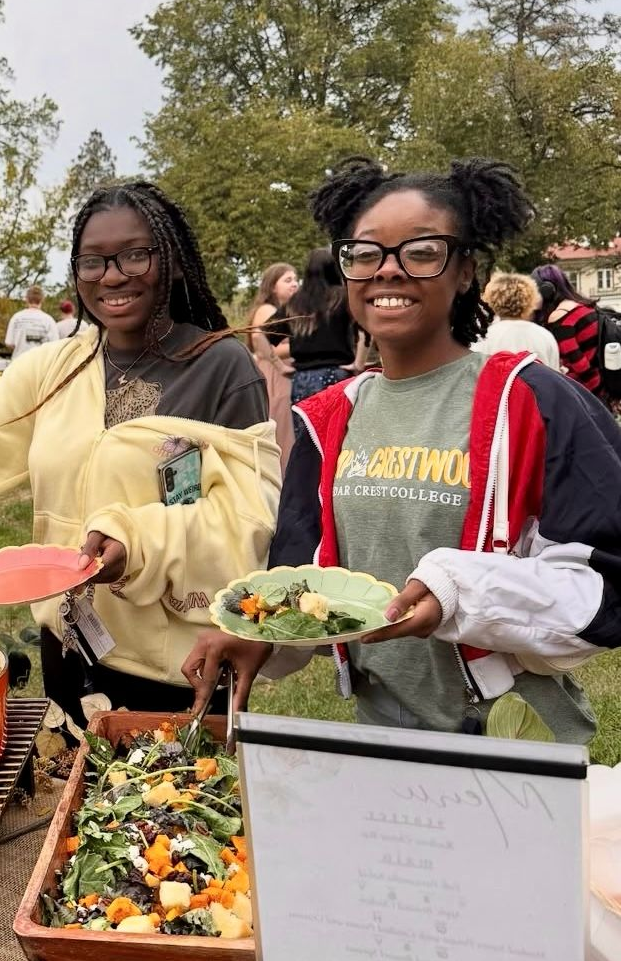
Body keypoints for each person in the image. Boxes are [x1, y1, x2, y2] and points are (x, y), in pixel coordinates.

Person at [183, 156, 621, 744]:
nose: (387, 272)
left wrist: (456, 592)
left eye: (420, 251)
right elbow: (316, 581)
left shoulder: (534, 401)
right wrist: (260, 631)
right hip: (383, 726)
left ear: (464, 269)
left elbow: (604, 589)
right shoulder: (330, 416)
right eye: (365, 254)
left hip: (510, 729)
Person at [0, 181, 280, 726]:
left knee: (159, 808)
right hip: (69, 647)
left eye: (134, 255)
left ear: (172, 260)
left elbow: (248, 521)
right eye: (92, 262)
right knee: (67, 795)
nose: (112, 276)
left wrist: (136, 541)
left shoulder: (220, 368)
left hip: (175, 664)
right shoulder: (59, 367)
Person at [270, 247, 369, 404]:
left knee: (307, 428)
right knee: (340, 427)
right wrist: (359, 363)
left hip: (302, 379)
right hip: (338, 374)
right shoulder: (343, 297)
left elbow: (262, 334)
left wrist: (279, 365)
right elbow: (366, 330)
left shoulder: (295, 302)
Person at [246, 263, 299, 471]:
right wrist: (304, 344)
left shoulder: (281, 311)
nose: (294, 284)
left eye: (296, 279)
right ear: (272, 286)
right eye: (287, 280)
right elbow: (262, 349)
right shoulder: (267, 310)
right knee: (282, 434)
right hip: (275, 376)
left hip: (281, 374)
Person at [531, 263, 607, 400]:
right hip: (601, 386)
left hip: (587, 393)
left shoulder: (561, 318)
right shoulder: (582, 307)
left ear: (546, 291)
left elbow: (580, 365)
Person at [471, 271, 560, 369]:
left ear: (491, 300)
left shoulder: (483, 337)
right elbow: (554, 377)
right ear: (530, 298)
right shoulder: (545, 337)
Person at [4, 285, 59, 358]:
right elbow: (55, 345)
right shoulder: (49, 320)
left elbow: (9, 343)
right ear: (42, 299)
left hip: (19, 363)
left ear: (26, 299)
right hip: (40, 364)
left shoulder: (16, 318)